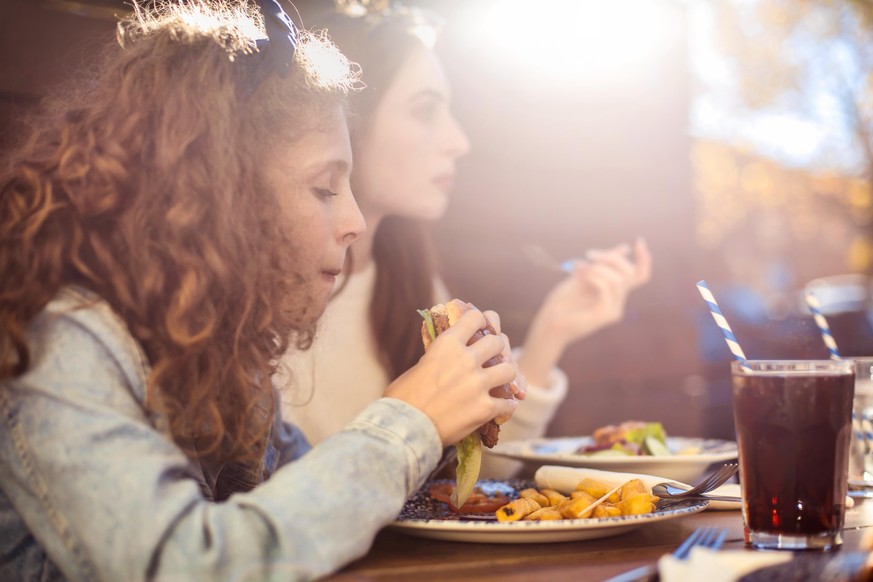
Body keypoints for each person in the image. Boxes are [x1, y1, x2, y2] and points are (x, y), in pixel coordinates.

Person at [0, 1, 521, 579]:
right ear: (216, 198)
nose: (355, 221)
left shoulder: (221, 353)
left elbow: (305, 507)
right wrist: (410, 420)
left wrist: (451, 417)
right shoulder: (62, 345)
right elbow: (187, 565)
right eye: (325, 188)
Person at [278, 1, 652, 476]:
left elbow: (465, 480)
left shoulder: (407, 279)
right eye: (426, 110)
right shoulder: (276, 299)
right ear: (344, 119)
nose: (459, 141)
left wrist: (551, 333)